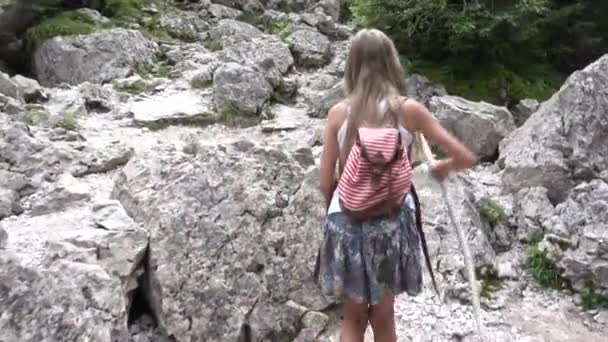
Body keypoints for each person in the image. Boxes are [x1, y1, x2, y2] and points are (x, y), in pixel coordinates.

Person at [315, 28, 476, 342]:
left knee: (353, 317)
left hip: (347, 223)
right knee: (384, 316)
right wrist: (442, 167)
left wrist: (336, 217)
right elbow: (464, 156)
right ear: (392, 63)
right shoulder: (408, 111)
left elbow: (325, 183)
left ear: (351, 65)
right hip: (391, 226)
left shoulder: (337, 114)